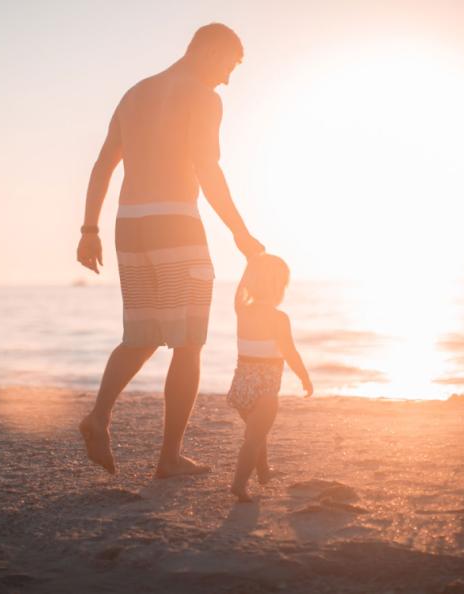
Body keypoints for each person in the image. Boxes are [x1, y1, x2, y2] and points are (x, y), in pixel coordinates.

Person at [76, 23, 265, 478]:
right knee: (188, 342)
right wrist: (240, 233)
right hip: (176, 225)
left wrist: (88, 229)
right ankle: (169, 459)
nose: (227, 79)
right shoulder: (203, 98)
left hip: (129, 226)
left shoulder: (135, 93)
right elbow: (208, 169)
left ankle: (98, 416)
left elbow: (104, 163)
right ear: (210, 51)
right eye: (228, 65)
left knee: (140, 336)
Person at [227, 254, 312, 502]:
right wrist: (304, 378)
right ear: (279, 289)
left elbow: (239, 290)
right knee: (254, 438)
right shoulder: (279, 318)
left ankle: (263, 472)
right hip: (265, 388)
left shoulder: (242, 311)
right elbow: (290, 352)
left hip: (241, 386)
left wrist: (249, 264)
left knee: (257, 431)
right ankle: (239, 484)